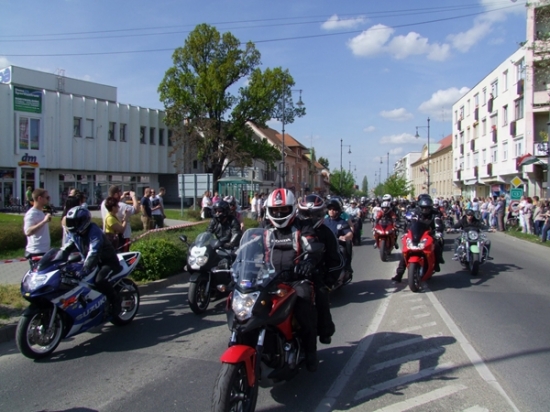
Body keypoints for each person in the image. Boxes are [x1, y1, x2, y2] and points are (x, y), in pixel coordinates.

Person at [264, 188, 324, 372]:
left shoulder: (302, 226)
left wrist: (309, 262)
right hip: (268, 280)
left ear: (292, 209)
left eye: (283, 209)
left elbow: (312, 245)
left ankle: (310, 352)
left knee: (304, 307)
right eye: (275, 210)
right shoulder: (265, 228)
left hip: (296, 280)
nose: (279, 214)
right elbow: (250, 247)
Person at [297, 194, 344, 345]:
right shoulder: (294, 229)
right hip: (291, 274)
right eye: (306, 214)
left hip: (316, 274)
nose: (309, 218)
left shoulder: (327, 233)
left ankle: (325, 331)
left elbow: (336, 261)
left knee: (321, 296)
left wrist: (329, 282)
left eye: (314, 214)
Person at [59, 206, 122, 315]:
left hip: (107, 261)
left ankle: (116, 301)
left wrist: (85, 269)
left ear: (84, 221)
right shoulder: (75, 233)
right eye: (71, 222)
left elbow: (94, 251)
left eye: (76, 221)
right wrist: (57, 259)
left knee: (99, 280)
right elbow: (66, 248)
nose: (73, 224)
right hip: (91, 262)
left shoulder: (94, 231)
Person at [392, 196, 445, 283]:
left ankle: (437, 262)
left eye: (427, 208)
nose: (425, 210)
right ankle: (399, 274)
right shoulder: (416, 213)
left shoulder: (435, 214)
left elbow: (438, 224)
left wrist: (438, 232)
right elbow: (411, 224)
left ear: (430, 208)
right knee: (406, 251)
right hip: (417, 235)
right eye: (423, 208)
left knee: (437, 244)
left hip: (430, 235)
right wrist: (406, 232)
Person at [101, 185, 140, 252]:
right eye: (120, 192)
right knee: (123, 254)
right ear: (116, 194)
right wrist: (133, 196)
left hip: (109, 237)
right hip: (123, 237)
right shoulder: (121, 206)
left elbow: (113, 203)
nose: (121, 194)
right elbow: (137, 209)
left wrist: (122, 197)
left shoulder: (104, 203)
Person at [324, 198, 354, 278]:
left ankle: (346, 267)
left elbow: (350, 233)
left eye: (334, 209)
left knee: (343, 250)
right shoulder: (324, 222)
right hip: (325, 245)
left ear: (338, 210)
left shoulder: (342, 222)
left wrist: (345, 236)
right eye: (330, 209)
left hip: (337, 245)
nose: (331, 211)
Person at [23, 188, 52, 266]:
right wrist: (44, 221)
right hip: (36, 251)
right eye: (47, 197)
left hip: (44, 250)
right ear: (40, 198)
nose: (49, 199)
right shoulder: (31, 213)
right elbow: (28, 232)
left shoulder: (41, 211)